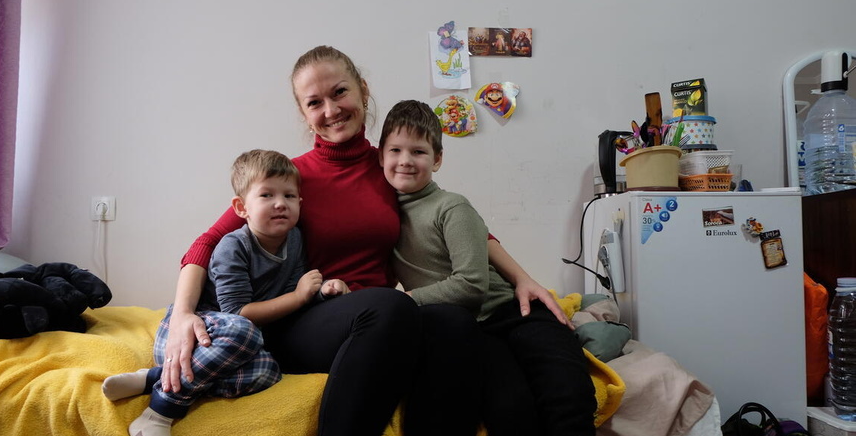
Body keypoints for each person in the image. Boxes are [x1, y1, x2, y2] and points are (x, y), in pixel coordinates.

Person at [161, 45, 572, 436]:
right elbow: (206, 242)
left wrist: (522, 278)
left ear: (363, 90)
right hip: (306, 321)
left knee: (452, 319)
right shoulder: (290, 180)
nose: (331, 109)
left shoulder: (390, 164)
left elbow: (463, 225)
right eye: (315, 102)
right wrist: (182, 314)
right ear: (305, 115)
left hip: (385, 322)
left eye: (340, 92)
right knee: (389, 306)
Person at [378, 99, 597, 436]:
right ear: (381, 157)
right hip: (475, 331)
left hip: (514, 312)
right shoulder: (384, 218)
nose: (405, 161)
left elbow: (470, 286)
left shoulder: (450, 207)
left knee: (568, 393)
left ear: (437, 159)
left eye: (418, 152)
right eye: (395, 150)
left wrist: (401, 303)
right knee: (510, 409)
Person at [103, 149, 348, 436]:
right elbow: (237, 313)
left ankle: (153, 379)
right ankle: (159, 411)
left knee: (268, 371)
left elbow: (295, 293)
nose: (280, 203)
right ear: (241, 207)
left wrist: (321, 293)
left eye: (289, 196)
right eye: (267, 195)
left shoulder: (294, 240)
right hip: (193, 336)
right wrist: (300, 296)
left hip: (226, 351)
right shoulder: (233, 246)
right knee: (245, 332)